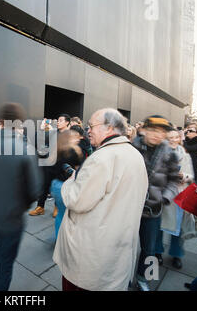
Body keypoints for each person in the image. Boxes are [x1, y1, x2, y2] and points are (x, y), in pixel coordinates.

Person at [53, 108, 148, 291]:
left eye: (91, 126)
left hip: (92, 253)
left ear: (109, 128)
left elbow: (75, 200)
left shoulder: (101, 158)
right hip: (118, 249)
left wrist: (71, 179)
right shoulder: (135, 154)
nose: (87, 130)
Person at [0, 103, 42, 291]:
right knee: (5, 264)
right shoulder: (25, 149)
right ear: (19, 123)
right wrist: (22, 205)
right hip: (12, 217)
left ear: (0, 121)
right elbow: (34, 190)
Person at [132, 115, 181, 291]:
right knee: (123, 246)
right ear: (143, 129)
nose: (157, 135)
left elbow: (174, 180)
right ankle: (121, 276)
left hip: (153, 210)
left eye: (162, 132)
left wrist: (165, 197)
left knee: (150, 249)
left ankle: (145, 279)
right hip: (129, 208)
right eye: (153, 130)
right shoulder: (131, 148)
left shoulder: (170, 154)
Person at [155, 129, 196, 270]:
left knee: (178, 228)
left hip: (180, 196)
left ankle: (176, 254)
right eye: (169, 137)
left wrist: (184, 176)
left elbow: (192, 177)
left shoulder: (186, 156)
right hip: (164, 195)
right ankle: (157, 252)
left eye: (175, 137)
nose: (172, 140)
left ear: (179, 138)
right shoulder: (160, 154)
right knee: (159, 226)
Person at [29, 113, 71, 217]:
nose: (58, 122)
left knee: (58, 186)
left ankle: (57, 207)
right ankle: (40, 207)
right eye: (58, 120)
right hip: (48, 164)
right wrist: (42, 130)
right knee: (44, 184)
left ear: (67, 122)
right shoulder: (53, 133)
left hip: (61, 165)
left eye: (61, 120)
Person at [49, 130, 84, 240]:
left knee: (60, 214)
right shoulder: (74, 152)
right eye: (75, 137)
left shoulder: (57, 150)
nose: (78, 139)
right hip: (66, 186)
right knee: (68, 216)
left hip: (55, 185)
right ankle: (64, 241)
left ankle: (58, 237)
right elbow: (80, 171)